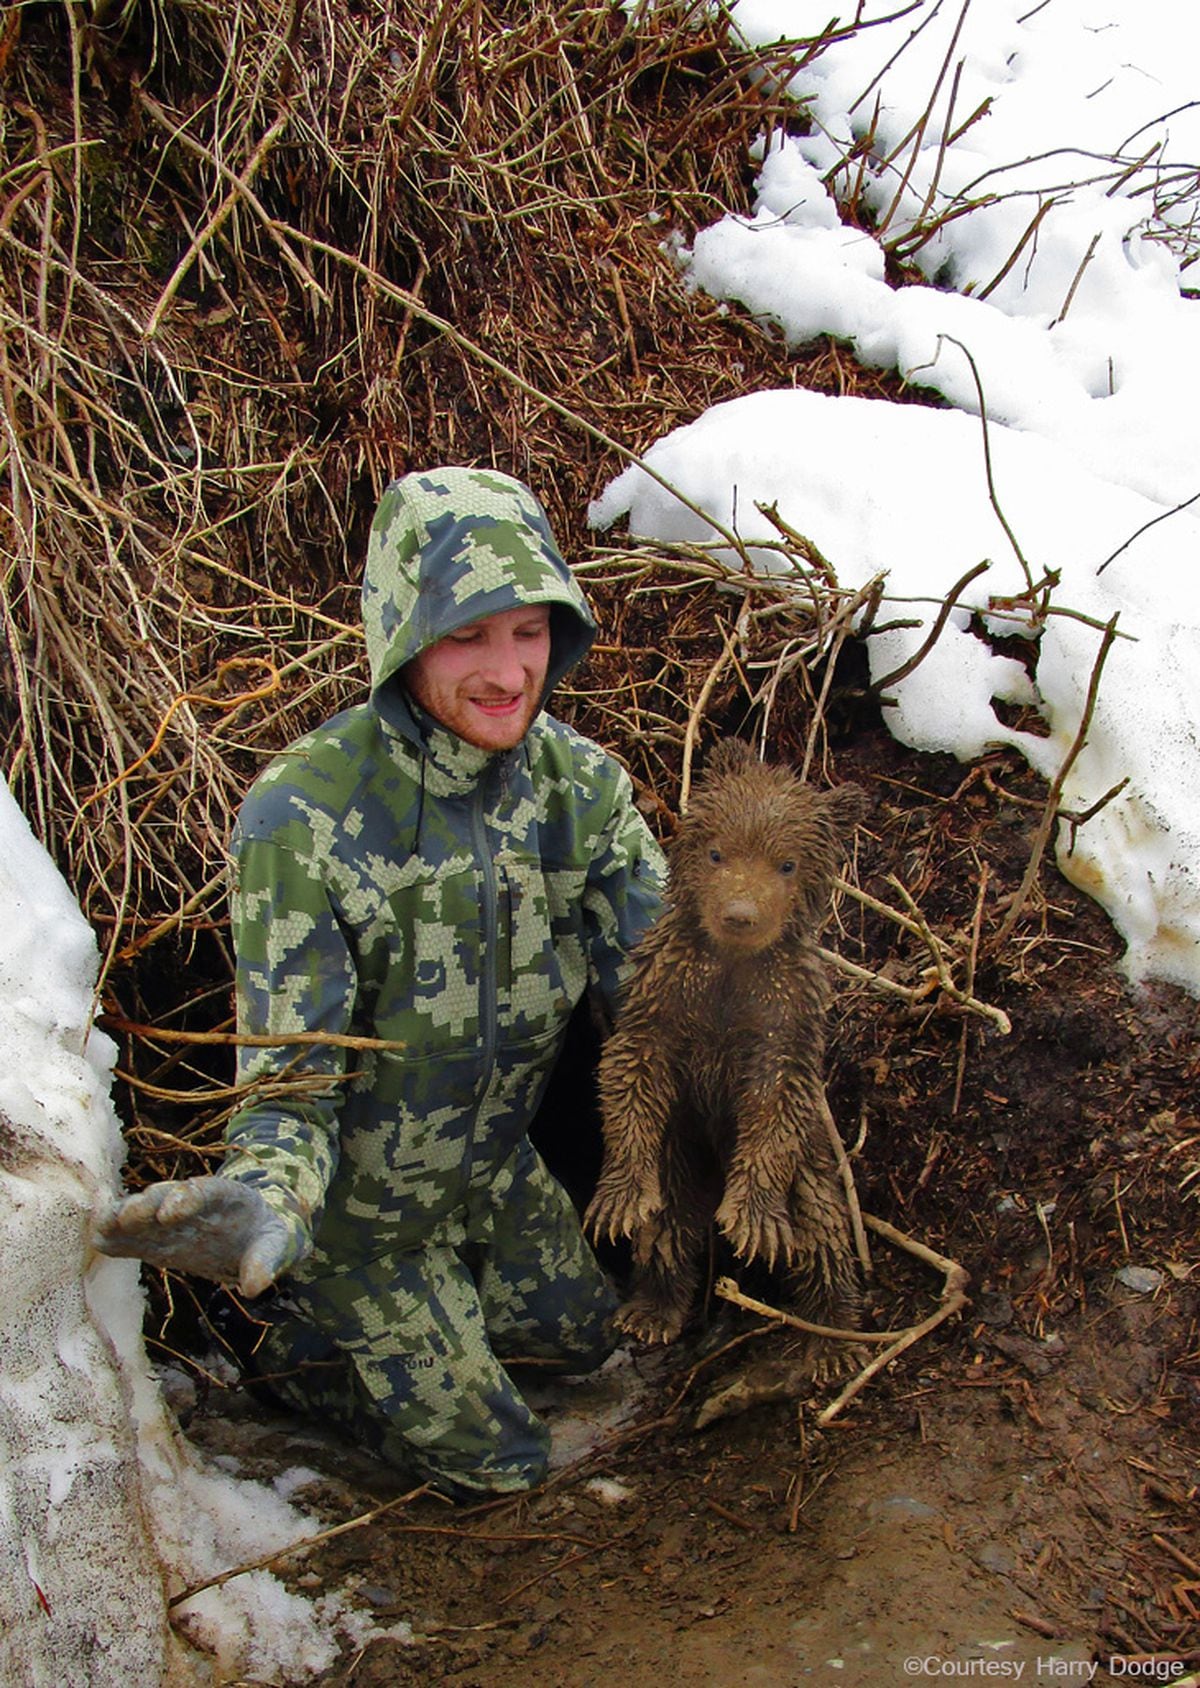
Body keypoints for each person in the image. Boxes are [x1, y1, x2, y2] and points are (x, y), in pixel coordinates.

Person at [96, 465, 666, 1498]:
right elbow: (291, 1081)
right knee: (506, 1466)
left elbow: (667, 990)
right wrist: (268, 1202)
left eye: (528, 631)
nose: (507, 672)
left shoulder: (579, 789)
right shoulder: (302, 817)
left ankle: (420, 1332)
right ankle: (288, 1347)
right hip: (369, 1219)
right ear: (405, 633)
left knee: (592, 1353)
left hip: (495, 1169)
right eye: (467, 633)